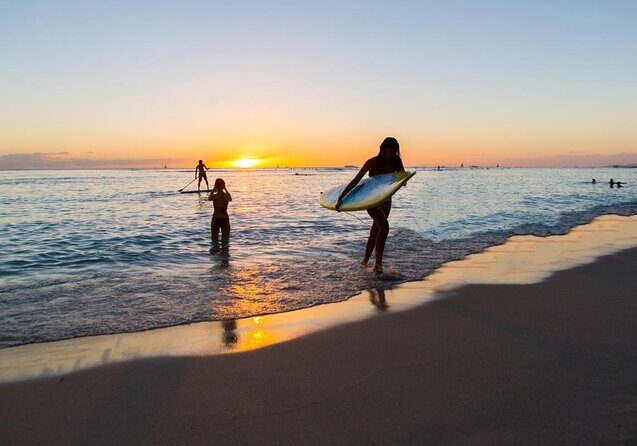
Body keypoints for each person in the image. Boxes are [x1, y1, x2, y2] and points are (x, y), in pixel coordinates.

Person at [335, 137, 405, 275]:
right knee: (384, 227)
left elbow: (401, 178)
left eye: (395, 152)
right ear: (383, 149)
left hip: (386, 199)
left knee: (375, 230)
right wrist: (341, 198)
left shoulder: (396, 161)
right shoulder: (372, 162)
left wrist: (402, 181)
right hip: (371, 200)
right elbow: (356, 180)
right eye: (390, 151)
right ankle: (378, 264)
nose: (392, 154)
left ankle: (365, 261)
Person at [208, 178, 232, 244]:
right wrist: (225, 189)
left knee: (214, 240)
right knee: (225, 240)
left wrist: (213, 190)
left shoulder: (214, 196)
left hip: (216, 218)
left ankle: (214, 253)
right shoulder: (227, 195)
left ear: (216, 186)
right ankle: (224, 253)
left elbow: (209, 198)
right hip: (225, 218)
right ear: (224, 186)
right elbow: (230, 199)